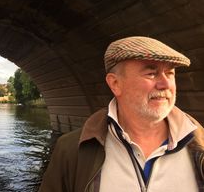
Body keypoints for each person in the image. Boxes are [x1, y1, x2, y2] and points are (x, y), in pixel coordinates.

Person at [39, 36, 204, 192]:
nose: (165, 84)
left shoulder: (200, 145)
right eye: (151, 73)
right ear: (115, 84)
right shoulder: (71, 150)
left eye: (170, 73)